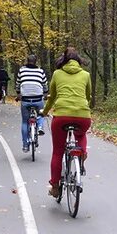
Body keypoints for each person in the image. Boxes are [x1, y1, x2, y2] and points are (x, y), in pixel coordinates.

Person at [41, 47, 92, 199]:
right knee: (81, 134)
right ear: (79, 60)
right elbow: (88, 95)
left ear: (63, 60)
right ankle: (81, 154)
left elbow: (51, 97)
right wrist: (82, 107)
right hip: (83, 115)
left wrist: (44, 112)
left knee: (58, 151)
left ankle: (55, 187)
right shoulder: (86, 75)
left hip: (61, 116)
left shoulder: (57, 74)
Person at [16, 54, 48, 153]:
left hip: (25, 99)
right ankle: (40, 127)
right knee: (41, 114)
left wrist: (18, 94)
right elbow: (45, 84)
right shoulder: (40, 71)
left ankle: (25, 145)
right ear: (36, 62)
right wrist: (45, 94)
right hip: (38, 99)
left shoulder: (22, 70)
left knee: (25, 122)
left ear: (27, 61)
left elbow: (18, 84)